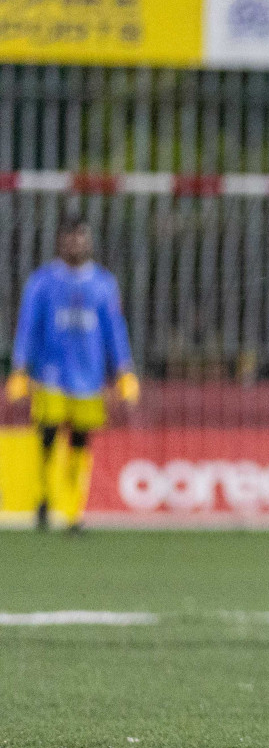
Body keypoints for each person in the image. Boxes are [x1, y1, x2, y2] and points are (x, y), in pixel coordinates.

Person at [5, 216, 138, 533]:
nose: (75, 243)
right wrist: (20, 365)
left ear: (89, 241)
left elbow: (114, 330)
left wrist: (124, 368)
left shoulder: (103, 284)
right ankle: (42, 500)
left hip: (89, 378)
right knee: (47, 435)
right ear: (59, 242)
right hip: (51, 374)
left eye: (81, 237)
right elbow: (28, 325)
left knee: (81, 440)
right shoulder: (42, 281)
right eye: (69, 237)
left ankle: (73, 510)